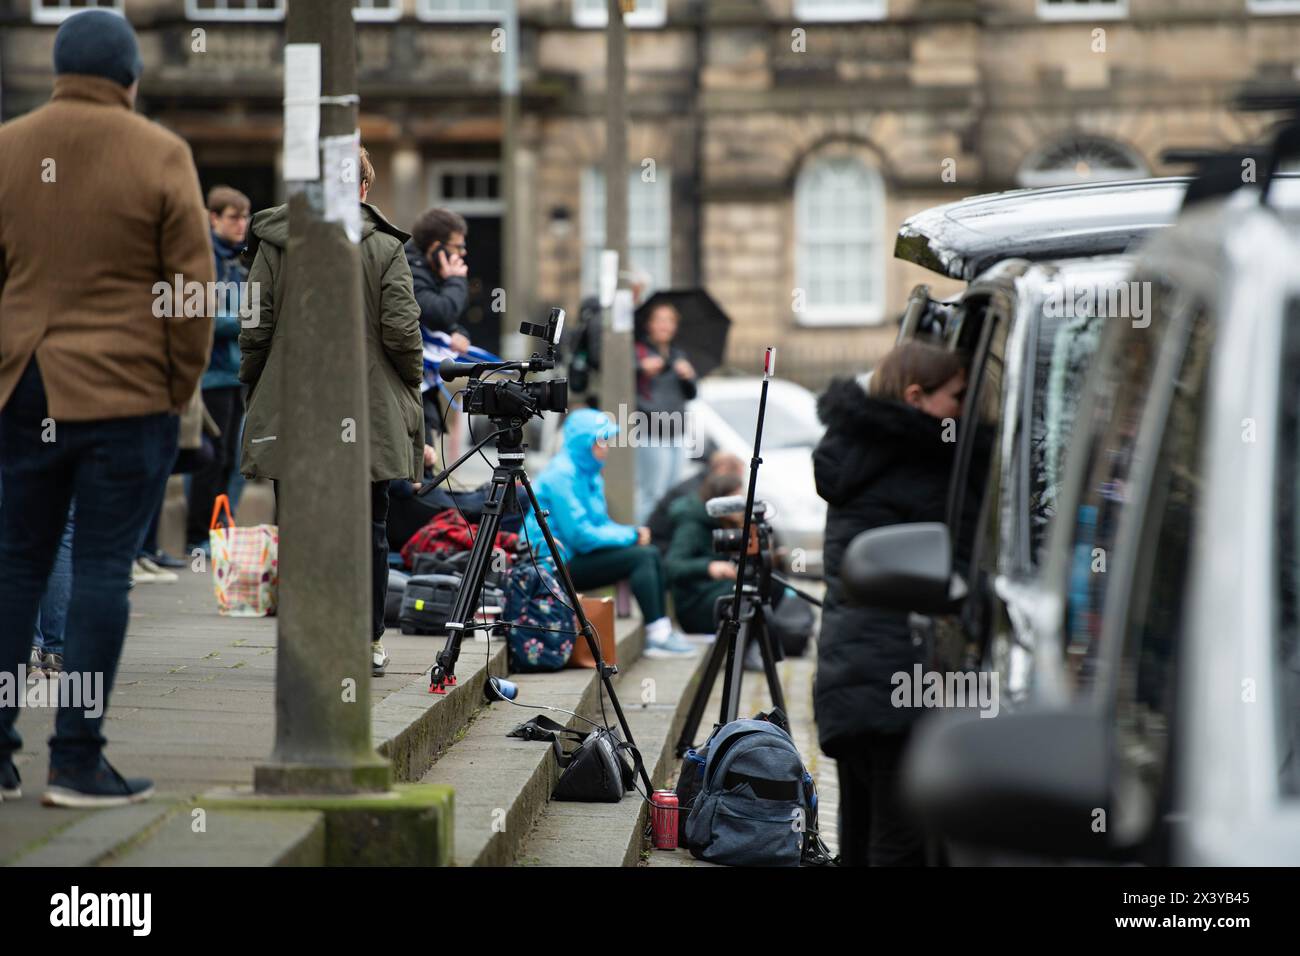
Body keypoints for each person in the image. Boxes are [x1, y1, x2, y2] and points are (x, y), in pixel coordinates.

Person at [0, 9, 214, 807]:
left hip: (21, 386)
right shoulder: (160, 152)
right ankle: (77, 760)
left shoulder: (9, 147)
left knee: (15, 565)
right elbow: (190, 291)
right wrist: (177, 381)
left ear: (59, 68)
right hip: (125, 392)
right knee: (98, 572)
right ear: (130, 77)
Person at [240, 147, 423, 679]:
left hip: (295, 406)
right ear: (364, 189)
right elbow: (401, 332)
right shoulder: (385, 248)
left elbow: (254, 326)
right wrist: (407, 386)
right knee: (369, 524)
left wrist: (258, 382)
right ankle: (364, 640)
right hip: (365, 410)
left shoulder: (274, 243)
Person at [813, 340, 967, 866]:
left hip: (855, 677)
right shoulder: (918, 462)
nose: (964, 413)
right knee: (899, 846)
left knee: (862, 834)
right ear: (916, 396)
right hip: (893, 682)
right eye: (958, 397)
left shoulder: (857, 454)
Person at [521, 408, 695, 658]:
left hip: (573, 555)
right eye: (601, 440)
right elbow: (580, 536)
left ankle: (662, 629)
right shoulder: (561, 475)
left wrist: (632, 533)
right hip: (554, 565)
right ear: (584, 442)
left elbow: (600, 523)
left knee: (651, 552)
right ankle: (657, 635)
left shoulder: (589, 473)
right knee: (641, 557)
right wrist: (631, 537)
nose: (607, 447)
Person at [186, 185, 251, 556]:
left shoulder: (236, 261)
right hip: (211, 373)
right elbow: (203, 316)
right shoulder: (205, 258)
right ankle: (198, 536)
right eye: (233, 217)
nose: (241, 224)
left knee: (230, 457)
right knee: (209, 458)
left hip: (234, 372)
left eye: (244, 217)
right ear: (214, 218)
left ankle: (218, 530)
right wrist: (246, 319)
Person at [405, 207, 471, 437]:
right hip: (409, 392)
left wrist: (455, 331)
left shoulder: (428, 271)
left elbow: (440, 321)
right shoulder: (409, 271)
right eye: (457, 246)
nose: (462, 253)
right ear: (435, 246)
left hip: (423, 393)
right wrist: (456, 280)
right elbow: (441, 312)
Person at [634, 302, 698, 523]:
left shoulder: (678, 355)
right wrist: (641, 368)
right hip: (650, 430)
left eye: (669, 320)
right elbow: (622, 388)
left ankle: (662, 544)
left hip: (677, 430)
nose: (664, 325)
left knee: (674, 495)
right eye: (659, 320)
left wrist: (689, 376)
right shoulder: (638, 351)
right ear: (649, 324)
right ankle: (643, 542)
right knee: (652, 493)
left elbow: (691, 394)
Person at [664, 470, 743, 635]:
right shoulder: (693, 525)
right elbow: (672, 566)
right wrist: (709, 567)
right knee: (743, 592)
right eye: (734, 501)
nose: (741, 507)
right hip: (695, 603)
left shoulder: (728, 523)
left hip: (715, 592)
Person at [647, 450, 744, 554]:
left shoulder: (704, 484)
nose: (738, 480)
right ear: (722, 470)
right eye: (736, 476)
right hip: (665, 544)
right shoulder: (696, 493)